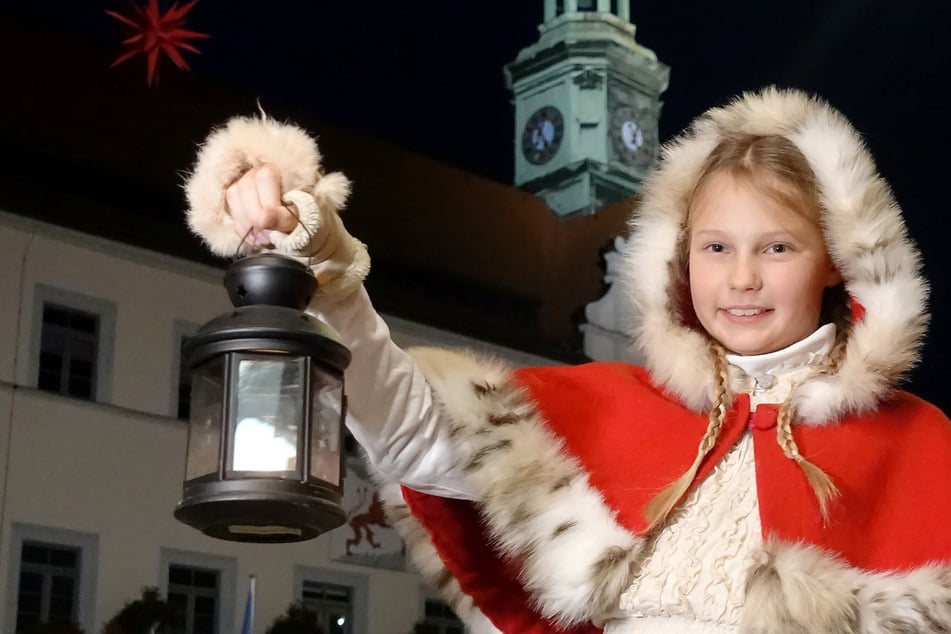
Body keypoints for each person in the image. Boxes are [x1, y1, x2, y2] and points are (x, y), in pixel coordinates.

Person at [183, 88, 951, 633]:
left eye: (776, 248)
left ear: (836, 263)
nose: (741, 278)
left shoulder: (918, 444)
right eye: (715, 248)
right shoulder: (616, 405)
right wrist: (324, 267)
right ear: (679, 261)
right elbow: (415, 436)